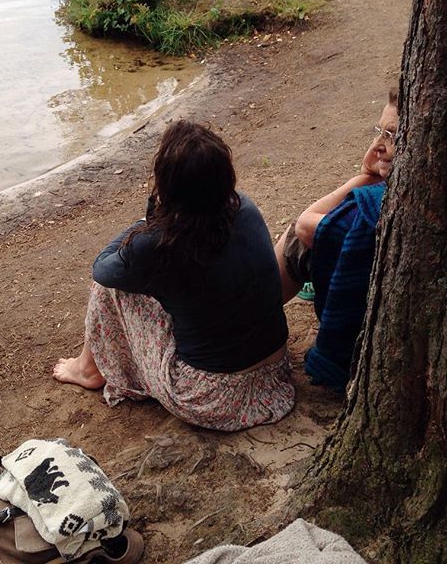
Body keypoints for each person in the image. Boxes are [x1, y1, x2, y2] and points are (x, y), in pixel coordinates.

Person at [53, 120, 294, 432]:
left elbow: (103, 268)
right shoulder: (244, 208)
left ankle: (87, 369)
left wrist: (150, 219)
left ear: (167, 186)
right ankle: (90, 367)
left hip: (212, 397)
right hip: (274, 374)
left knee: (110, 289)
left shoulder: (160, 244)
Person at [274, 89, 399, 391]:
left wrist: (360, 180)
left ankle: (253, 312)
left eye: (391, 135)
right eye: (378, 132)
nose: (378, 146)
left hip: (361, 332)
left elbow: (306, 225)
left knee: (298, 239)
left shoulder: (373, 208)